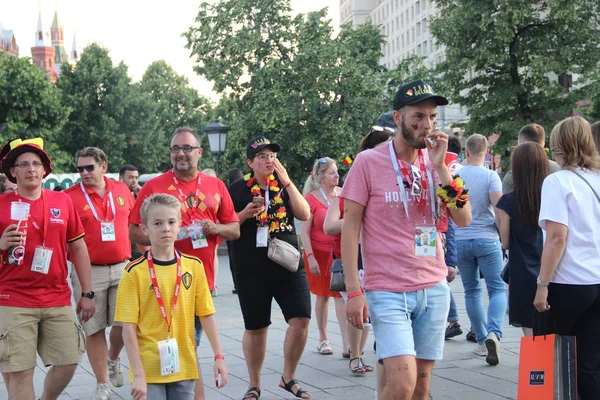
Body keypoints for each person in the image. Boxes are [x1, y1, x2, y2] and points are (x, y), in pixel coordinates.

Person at [342, 80, 472, 400]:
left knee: (421, 389)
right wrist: (354, 291)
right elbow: (350, 228)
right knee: (402, 386)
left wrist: (441, 167)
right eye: (418, 116)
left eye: (431, 117)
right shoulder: (368, 162)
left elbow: (463, 217)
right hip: (387, 289)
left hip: (433, 286)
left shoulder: (439, 163)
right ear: (398, 118)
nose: (425, 125)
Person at [129, 126, 240, 400]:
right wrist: (157, 250)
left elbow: (235, 229)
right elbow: (133, 230)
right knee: (179, 349)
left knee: (188, 349)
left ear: (199, 152)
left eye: (187, 148)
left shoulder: (216, 186)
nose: (181, 154)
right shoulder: (154, 186)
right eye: (175, 149)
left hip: (201, 281)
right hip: (161, 281)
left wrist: (213, 229)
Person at [0, 138, 95, 400]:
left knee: (69, 359)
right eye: (23, 164)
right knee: (20, 371)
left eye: (36, 163)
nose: (31, 169)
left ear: (44, 170)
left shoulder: (62, 202)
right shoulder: (1, 205)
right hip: (13, 300)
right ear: (13, 172)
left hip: (57, 297)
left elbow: (78, 249)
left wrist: (87, 293)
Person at [116, 194, 228, 400]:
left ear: (179, 226)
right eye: (157, 223)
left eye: (171, 222)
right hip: (148, 368)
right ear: (145, 229)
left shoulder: (193, 266)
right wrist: (138, 374)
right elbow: (128, 329)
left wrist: (219, 356)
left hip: (183, 364)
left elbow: (206, 314)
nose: (165, 228)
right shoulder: (134, 272)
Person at [228, 136, 312, 400]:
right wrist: (244, 214)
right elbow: (226, 226)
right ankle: (254, 384)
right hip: (251, 267)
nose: (269, 160)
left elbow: (304, 214)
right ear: (250, 162)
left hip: (287, 264)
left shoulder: (283, 185)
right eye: (262, 156)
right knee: (256, 326)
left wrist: (287, 182)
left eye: (272, 155)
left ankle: (288, 378)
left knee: (301, 318)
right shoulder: (237, 190)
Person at [534, 116, 600, 400]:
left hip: (568, 282)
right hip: (597, 280)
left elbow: (557, 237)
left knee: (546, 354)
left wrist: (542, 283)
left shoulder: (557, 181)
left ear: (559, 145)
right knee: (590, 362)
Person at [65, 147, 135, 399]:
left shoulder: (122, 190)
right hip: (88, 271)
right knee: (93, 328)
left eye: (89, 167)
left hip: (122, 266)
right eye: (80, 169)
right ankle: (102, 383)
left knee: (124, 324)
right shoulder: (70, 197)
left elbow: (134, 225)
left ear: (103, 166)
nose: (84, 173)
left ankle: (113, 359)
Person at [323, 126, 392, 376]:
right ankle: (355, 355)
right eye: (384, 148)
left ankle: (363, 354)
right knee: (358, 308)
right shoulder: (348, 191)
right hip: (358, 257)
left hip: (384, 257)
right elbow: (329, 226)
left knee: (373, 314)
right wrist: (356, 219)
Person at [454, 134, 506, 366]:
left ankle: (482, 339)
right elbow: (500, 208)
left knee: (471, 290)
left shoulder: (455, 175)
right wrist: (504, 238)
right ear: (486, 152)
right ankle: (494, 332)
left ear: (466, 151)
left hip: (462, 239)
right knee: (496, 289)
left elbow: (450, 207)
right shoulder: (491, 176)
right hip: (487, 239)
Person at [496, 142, 549, 336]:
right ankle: (554, 365)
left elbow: (506, 242)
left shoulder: (509, 201)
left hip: (522, 272)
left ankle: (536, 365)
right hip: (551, 270)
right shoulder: (552, 196)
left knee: (530, 330)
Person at [301, 157, 347, 356]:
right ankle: (323, 338)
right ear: (321, 177)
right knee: (322, 297)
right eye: (331, 172)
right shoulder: (311, 198)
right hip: (318, 254)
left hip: (339, 252)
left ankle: (347, 343)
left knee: (341, 295)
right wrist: (310, 256)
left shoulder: (343, 195)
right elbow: (305, 232)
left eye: (336, 171)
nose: (336, 175)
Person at [502, 123, 561, 194]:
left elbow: (507, 204)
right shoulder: (559, 170)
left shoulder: (512, 178)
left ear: (521, 142)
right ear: (543, 144)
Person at [445, 135, 463, 340]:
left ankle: (453, 319)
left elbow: (459, 214)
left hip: (457, 238)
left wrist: (450, 261)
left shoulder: (450, 171)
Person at [226, 168, 244, 294]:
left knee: (233, 257)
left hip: (232, 228)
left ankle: (237, 284)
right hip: (244, 229)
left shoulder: (230, 190)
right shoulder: (246, 188)